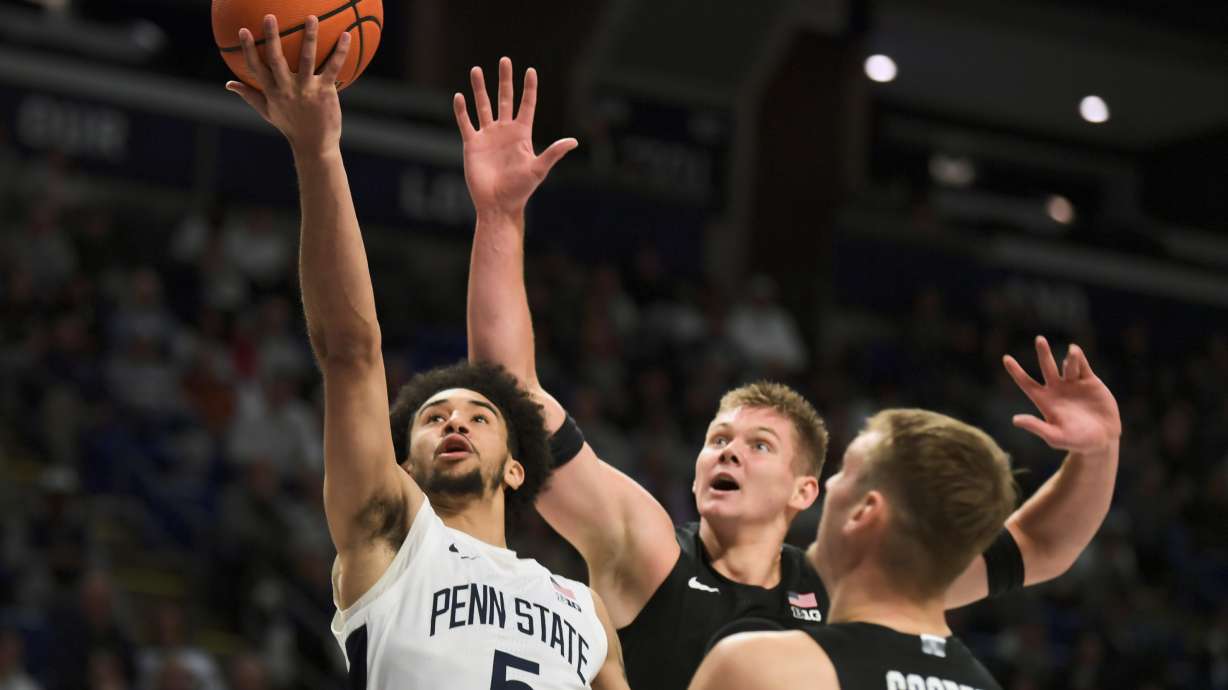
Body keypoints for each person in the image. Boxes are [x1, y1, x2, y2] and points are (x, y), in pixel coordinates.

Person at [458, 58, 1123, 689]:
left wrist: (1097, 453)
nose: (728, 452)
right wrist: (499, 216)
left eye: (759, 445)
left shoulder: (854, 583)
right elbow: (509, 391)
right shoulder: (650, 549)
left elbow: (1037, 546)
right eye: (719, 439)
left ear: (806, 491)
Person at [224, 18, 628, 689]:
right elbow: (351, 352)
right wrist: (318, 153)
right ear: (404, 464)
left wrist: (502, 217)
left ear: (519, 468)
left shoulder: (585, 610)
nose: (454, 423)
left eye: (477, 416)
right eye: (434, 418)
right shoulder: (391, 537)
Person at [690, 408, 1018, 690]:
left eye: (845, 471)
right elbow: (1036, 544)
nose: (830, 484)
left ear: (864, 511)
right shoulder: (986, 683)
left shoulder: (760, 669)